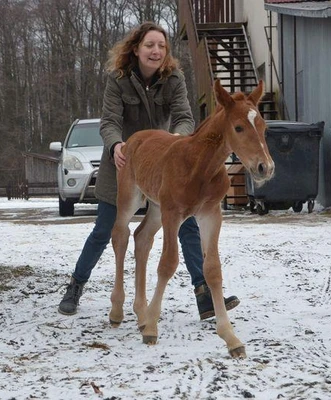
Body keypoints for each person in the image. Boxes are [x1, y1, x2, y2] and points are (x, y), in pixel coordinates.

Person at [59, 22, 240, 320]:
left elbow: (184, 116)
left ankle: (203, 293)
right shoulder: (118, 80)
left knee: (188, 225)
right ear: (136, 48)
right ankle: (76, 285)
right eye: (150, 45)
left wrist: (178, 142)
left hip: (165, 160)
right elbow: (109, 121)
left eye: (162, 46)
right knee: (105, 227)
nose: (156, 51)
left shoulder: (174, 79)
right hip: (122, 160)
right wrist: (115, 145)